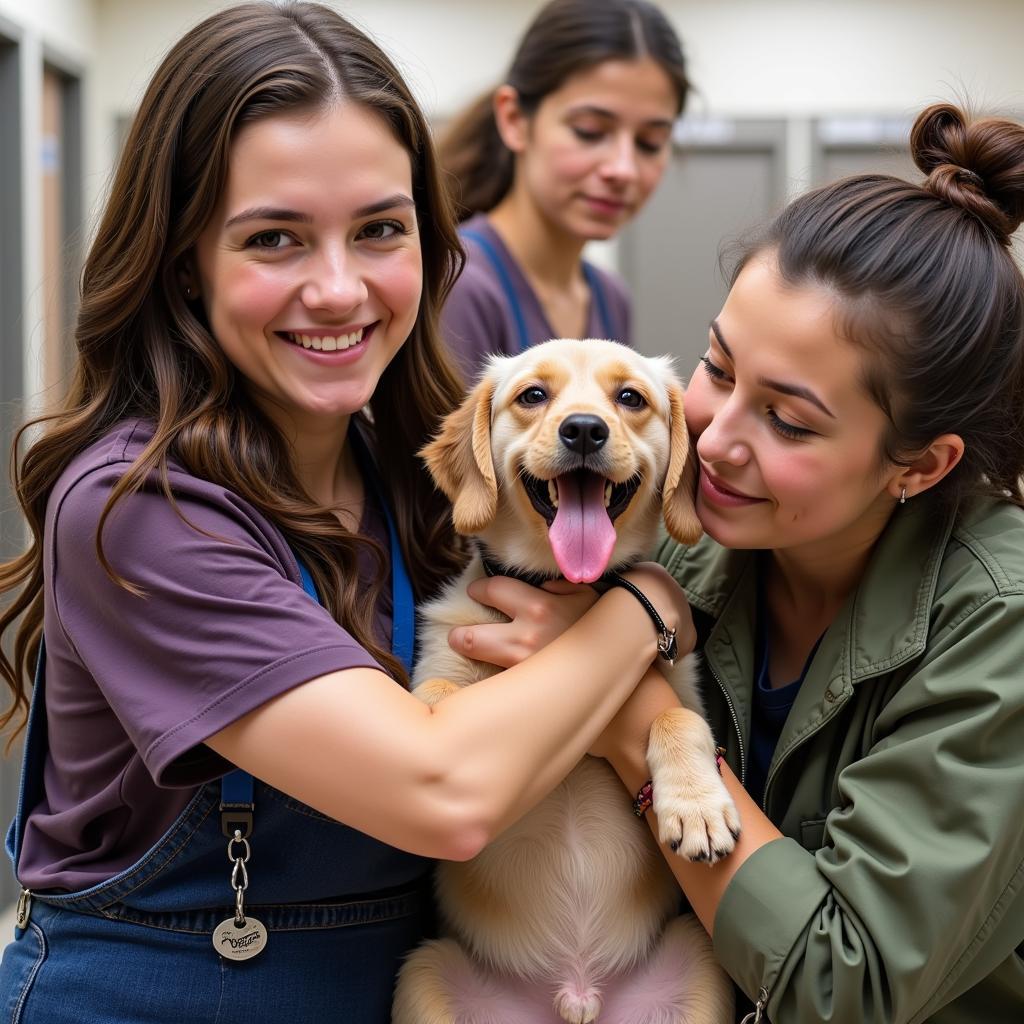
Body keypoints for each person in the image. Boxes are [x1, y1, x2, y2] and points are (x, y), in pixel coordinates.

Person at [0, 4, 692, 1020]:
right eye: (274, 237)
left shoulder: (418, 480)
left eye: (379, 229)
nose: (338, 289)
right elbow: (440, 793)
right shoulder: (138, 511)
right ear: (183, 257)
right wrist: (646, 608)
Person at [456, 102, 1024, 1022]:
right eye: (719, 369)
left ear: (920, 464)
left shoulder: (1000, 619)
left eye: (789, 421)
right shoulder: (684, 533)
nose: (713, 438)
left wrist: (628, 712)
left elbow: (843, 983)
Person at [438, 0, 689, 379]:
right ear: (514, 119)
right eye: (589, 131)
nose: (623, 169)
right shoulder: (461, 283)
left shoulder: (609, 298)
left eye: (650, 142)